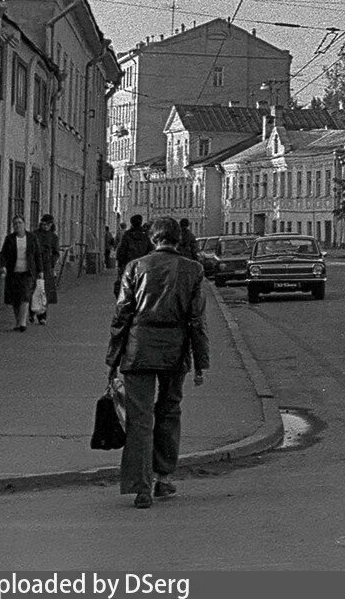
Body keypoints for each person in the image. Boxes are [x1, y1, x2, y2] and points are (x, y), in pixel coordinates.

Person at [108, 216, 209, 510]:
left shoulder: (135, 267)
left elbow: (121, 316)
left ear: (153, 239)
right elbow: (197, 320)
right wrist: (200, 362)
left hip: (138, 350)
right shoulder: (193, 270)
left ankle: (142, 489)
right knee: (169, 412)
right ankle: (163, 477)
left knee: (139, 419)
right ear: (177, 240)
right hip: (175, 351)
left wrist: (113, 358)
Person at [0, 216, 41, 332]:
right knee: (15, 299)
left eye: (20, 223)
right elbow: (4, 254)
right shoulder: (10, 239)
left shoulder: (32, 237)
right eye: (15, 223)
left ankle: (22, 323)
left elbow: (37, 254)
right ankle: (18, 321)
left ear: (24, 224)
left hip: (27, 272)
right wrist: (3, 266)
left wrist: (40, 270)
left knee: (25, 296)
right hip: (13, 272)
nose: (17, 225)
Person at [29, 214, 60, 325]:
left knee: (44, 291)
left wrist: (51, 263)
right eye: (43, 223)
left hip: (46, 266)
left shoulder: (53, 237)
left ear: (51, 224)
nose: (45, 226)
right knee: (32, 289)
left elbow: (56, 252)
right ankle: (31, 312)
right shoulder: (34, 235)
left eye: (48, 224)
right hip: (34, 265)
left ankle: (42, 316)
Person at [114, 214, 152, 296]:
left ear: (131, 223)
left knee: (129, 285)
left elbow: (121, 251)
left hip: (129, 264)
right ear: (141, 223)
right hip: (143, 265)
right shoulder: (146, 236)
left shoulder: (127, 235)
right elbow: (151, 250)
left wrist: (120, 265)